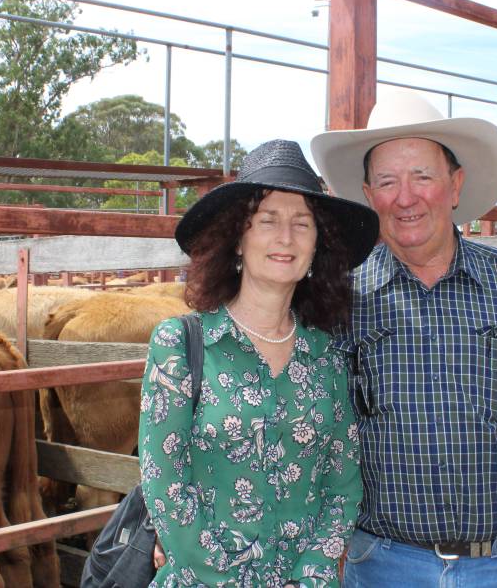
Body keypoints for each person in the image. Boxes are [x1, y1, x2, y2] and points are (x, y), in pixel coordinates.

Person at [311, 92, 497, 587]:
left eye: (423, 176)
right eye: (387, 181)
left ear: (455, 185)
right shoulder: (339, 302)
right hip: (382, 565)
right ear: (368, 194)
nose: (405, 197)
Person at [138, 139, 380, 587]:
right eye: (267, 220)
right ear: (236, 239)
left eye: (302, 224)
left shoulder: (326, 358)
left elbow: (342, 489)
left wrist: (310, 578)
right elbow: (165, 486)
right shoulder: (180, 344)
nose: (285, 237)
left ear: (315, 249)